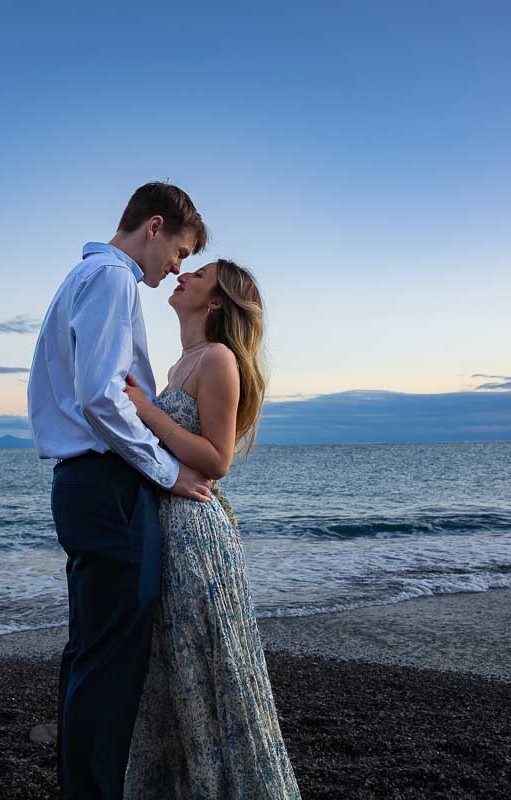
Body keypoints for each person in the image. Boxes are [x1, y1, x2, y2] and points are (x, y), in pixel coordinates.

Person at [26, 181, 214, 800]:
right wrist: (166, 472)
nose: (176, 267)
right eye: (181, 251)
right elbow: (101, 395)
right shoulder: (110, 280)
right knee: (111, 664)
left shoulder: (79, 279)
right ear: (154, 227)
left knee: (89, 654)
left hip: (83, 485)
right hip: (108, 489)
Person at [121, 259, 301, 799]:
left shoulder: (218, 358)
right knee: (176, 675)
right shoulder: (180, 364)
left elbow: (216, 459)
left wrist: (146, 412)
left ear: (217, 301)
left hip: (197, 536)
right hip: (169, 529)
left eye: (198, 275)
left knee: (209, 668)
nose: (184, 276)